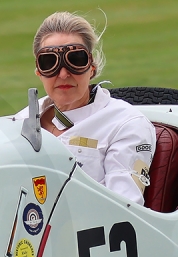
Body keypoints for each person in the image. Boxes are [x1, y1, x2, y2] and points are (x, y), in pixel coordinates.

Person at [14, 12, 155, 205]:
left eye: (76, 59)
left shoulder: (125, 124)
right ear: (39, 72)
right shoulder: (19, 122)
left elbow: (124, 207)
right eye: (49, 62)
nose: (63, 74)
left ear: (92, 67)